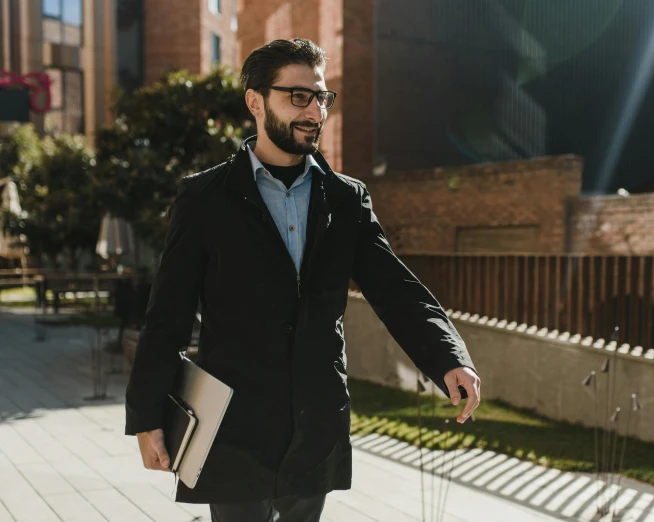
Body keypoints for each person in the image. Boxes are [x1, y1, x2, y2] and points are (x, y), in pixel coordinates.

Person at [125, 38, 481, 522]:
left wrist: (449, 358)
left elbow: (395, 289)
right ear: (255, 101)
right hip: (232, 425)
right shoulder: (205, 198)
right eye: (299, 97)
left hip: (315, 424)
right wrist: (147, 418)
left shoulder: (346, 199)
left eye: (321, 97)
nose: (315, 110)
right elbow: (167, 315)